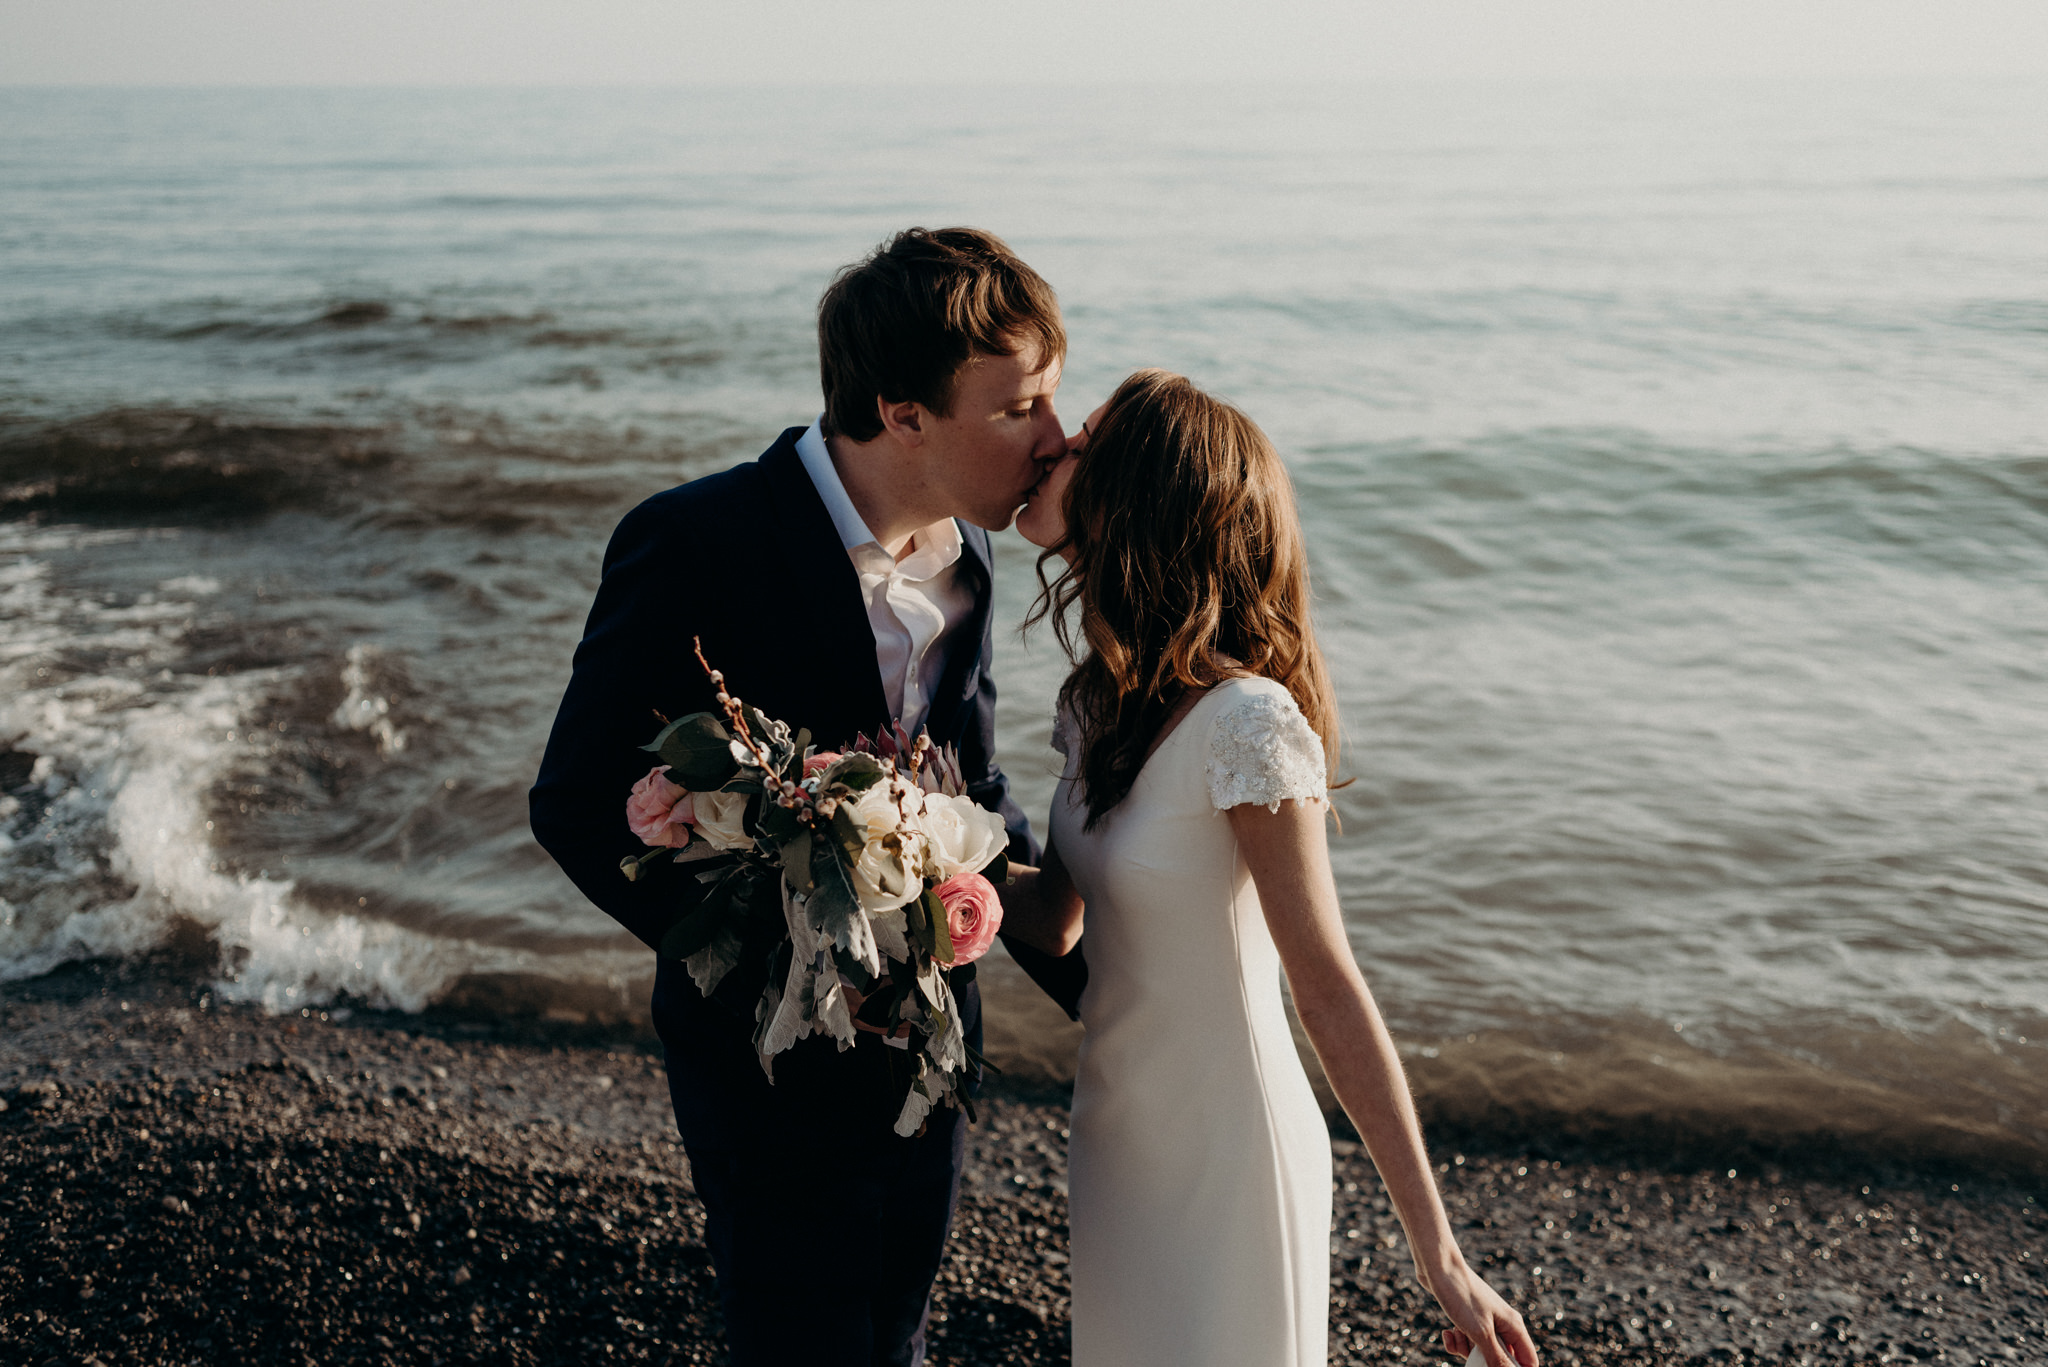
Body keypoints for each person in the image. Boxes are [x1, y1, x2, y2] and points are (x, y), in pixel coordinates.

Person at [528, 227, 1087, 1367]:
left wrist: (1119, 994)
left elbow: (968, 796)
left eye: (1052, 399)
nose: (1055, 437)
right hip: (760, 1052)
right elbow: (575, 799)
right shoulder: (693, 540)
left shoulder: (968, 568)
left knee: (898, 1328)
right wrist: (771, 954)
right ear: (904, 414)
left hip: (931, 1034)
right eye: (1019, 406)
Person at [1000, 370, 1540, 1367]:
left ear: (1136, 493)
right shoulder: (1094, 706)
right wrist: (909, 847)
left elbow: (1326, 983)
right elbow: (1057, 920)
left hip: (1233, 1146)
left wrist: (1440, 1252)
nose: (1048, 449)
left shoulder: (1246, 724)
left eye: (1079, 441)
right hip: (1118, 1134)